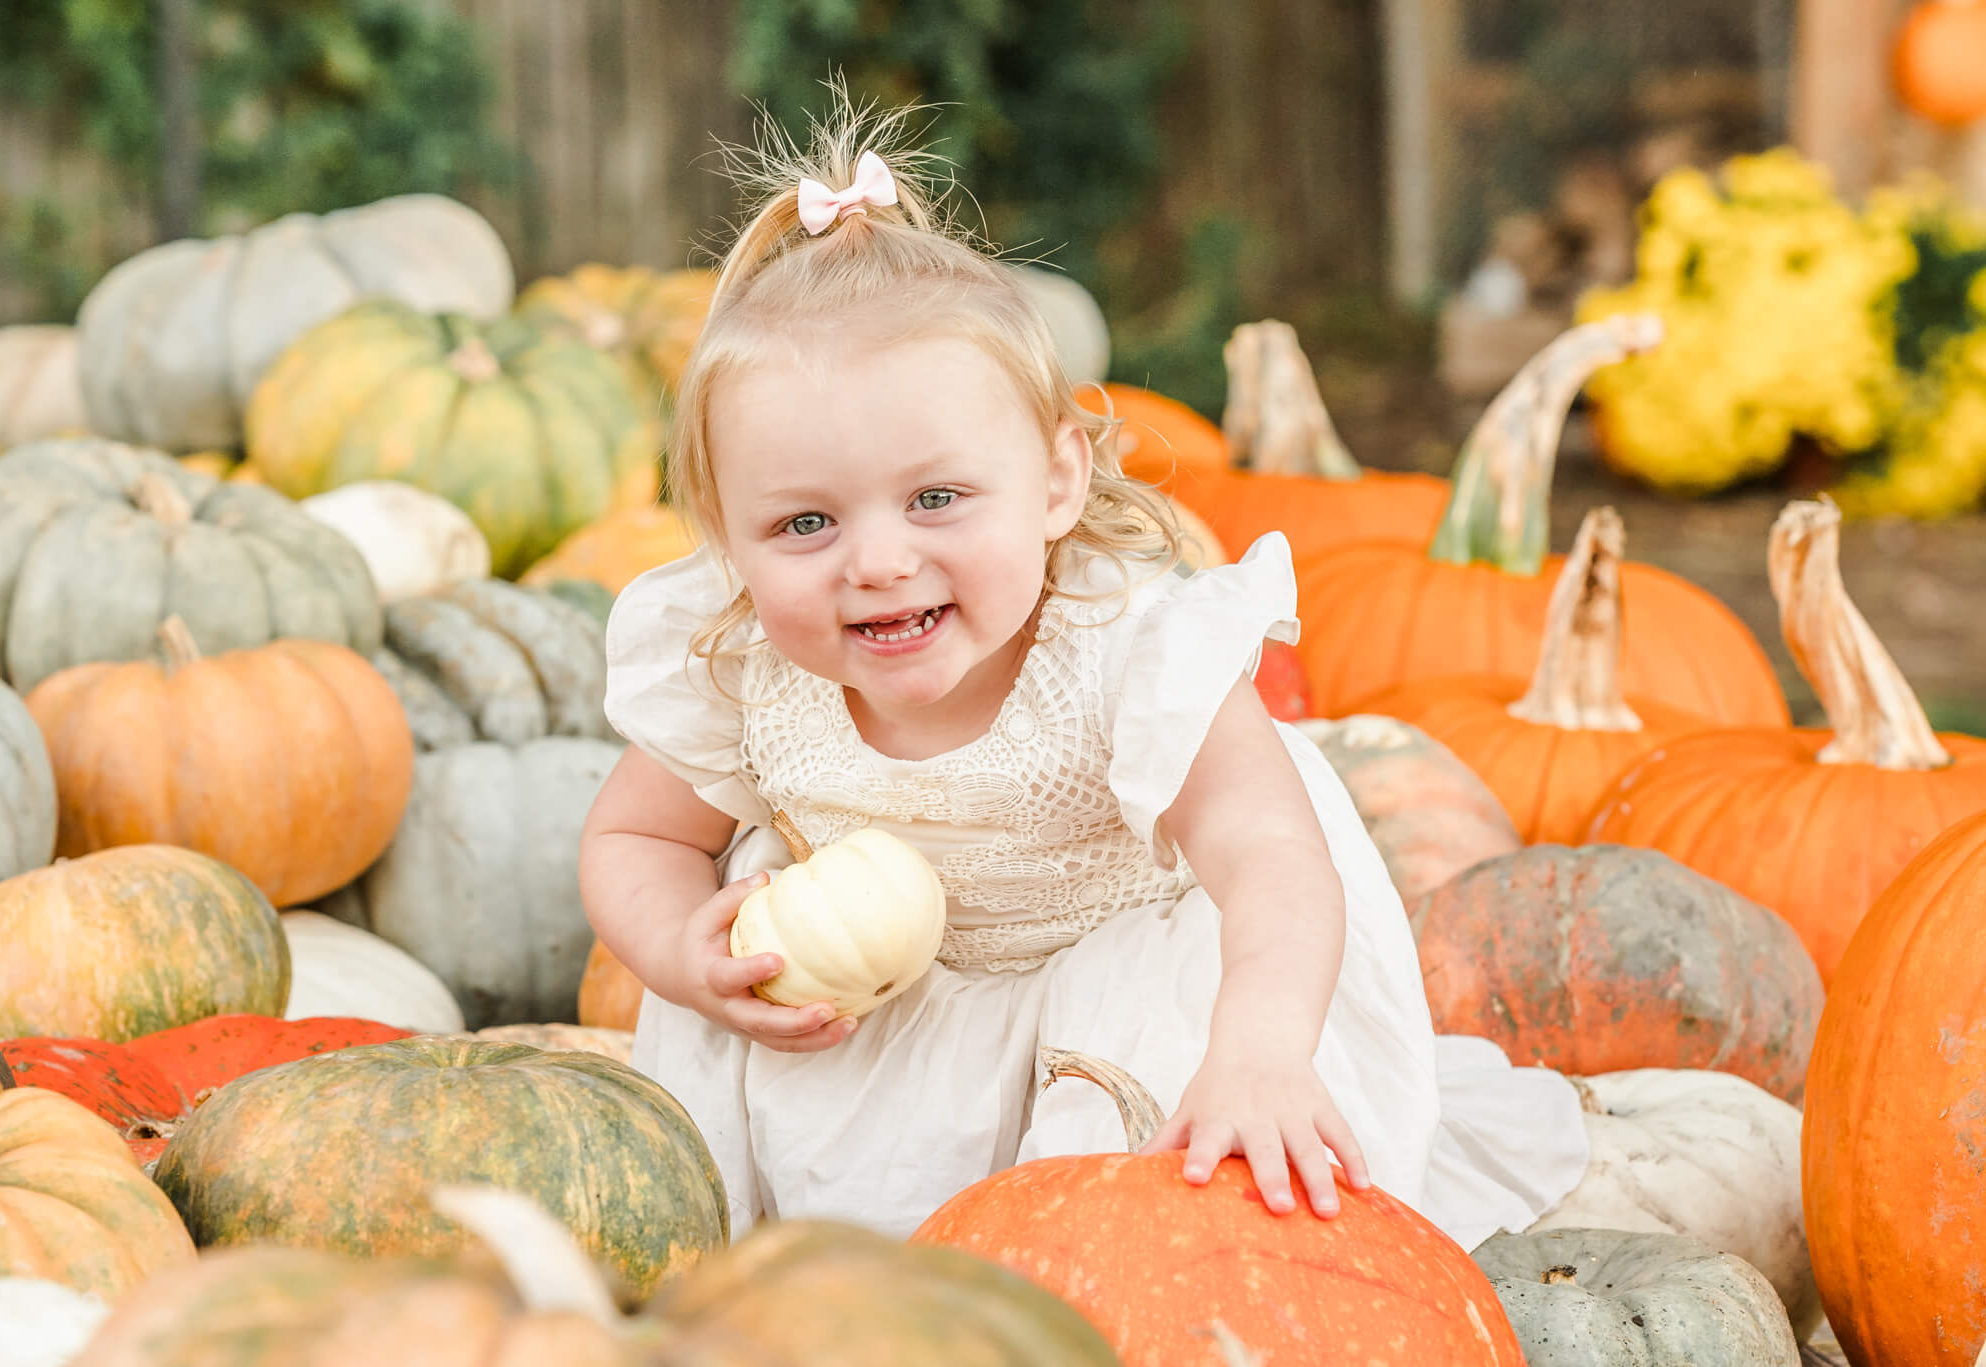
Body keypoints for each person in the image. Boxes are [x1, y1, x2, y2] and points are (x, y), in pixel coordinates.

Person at [580, 98, 1587, 1246]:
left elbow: (1274, 861)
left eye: (936, 498)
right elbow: (635, 840)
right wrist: (677, 950)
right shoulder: (747, 666)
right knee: (793, 1173)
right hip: (886, 1030)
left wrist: (1256, 1046)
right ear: (724, 532)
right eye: (803, 522)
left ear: (1058, 481)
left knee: (1135, 1203)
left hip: (1124, 1002)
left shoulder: (1122, 652)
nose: (876, 560)